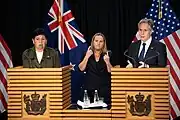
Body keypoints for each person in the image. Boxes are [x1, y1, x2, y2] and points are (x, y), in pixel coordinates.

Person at [78, 33, 112, 104]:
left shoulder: (108, 54)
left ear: (104, 43)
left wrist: (107, 62)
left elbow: (111, 71)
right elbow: (81, 68)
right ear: (93, 42)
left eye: (101, 41)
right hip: (89, 90)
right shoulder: (86, 54)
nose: (98, 43)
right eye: (96, 41)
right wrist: (87, 57)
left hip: (104, 91)